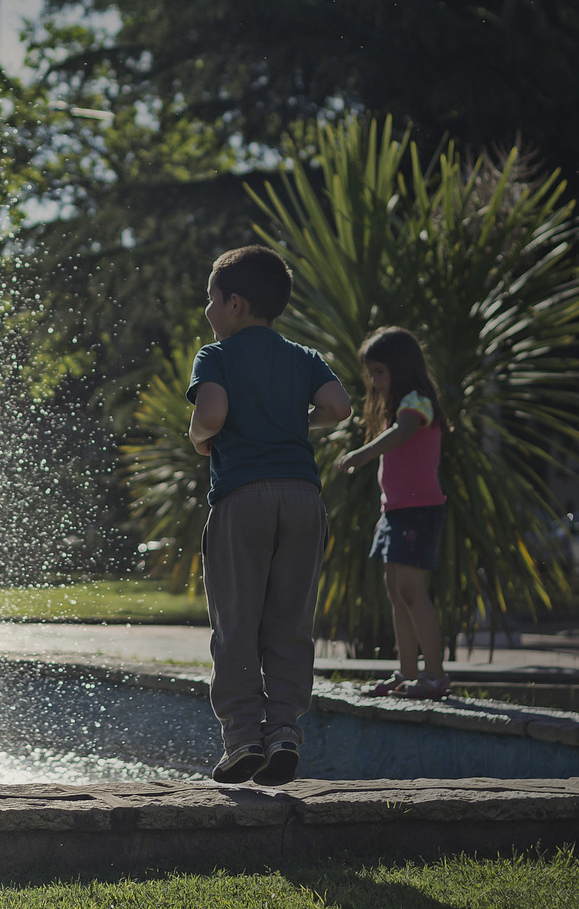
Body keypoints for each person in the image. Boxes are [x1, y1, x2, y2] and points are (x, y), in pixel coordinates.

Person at [187, 246, 352, 786]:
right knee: (288, 622)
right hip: (303, 499)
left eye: (211, 299)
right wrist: (293, 424)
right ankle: (283, 732)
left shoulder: (217, 356)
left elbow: (210, 414)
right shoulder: (302, 357)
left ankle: (241, 741)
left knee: (236, 623)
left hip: (242, 499)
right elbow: (339, 408)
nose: (206, 309)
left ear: (234, 303)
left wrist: (198, 437)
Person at [335, 327, 450, 700]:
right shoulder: (399, 406)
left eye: (380, 372)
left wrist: (362, 453)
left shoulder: (417, 403)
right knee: (395, 591)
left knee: (412, 591)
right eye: (371, 373)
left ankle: (434, 675)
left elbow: (403, 433)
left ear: (401, 368)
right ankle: (408, 671)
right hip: (395, 512)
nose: (374, 380)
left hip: (418, 511)